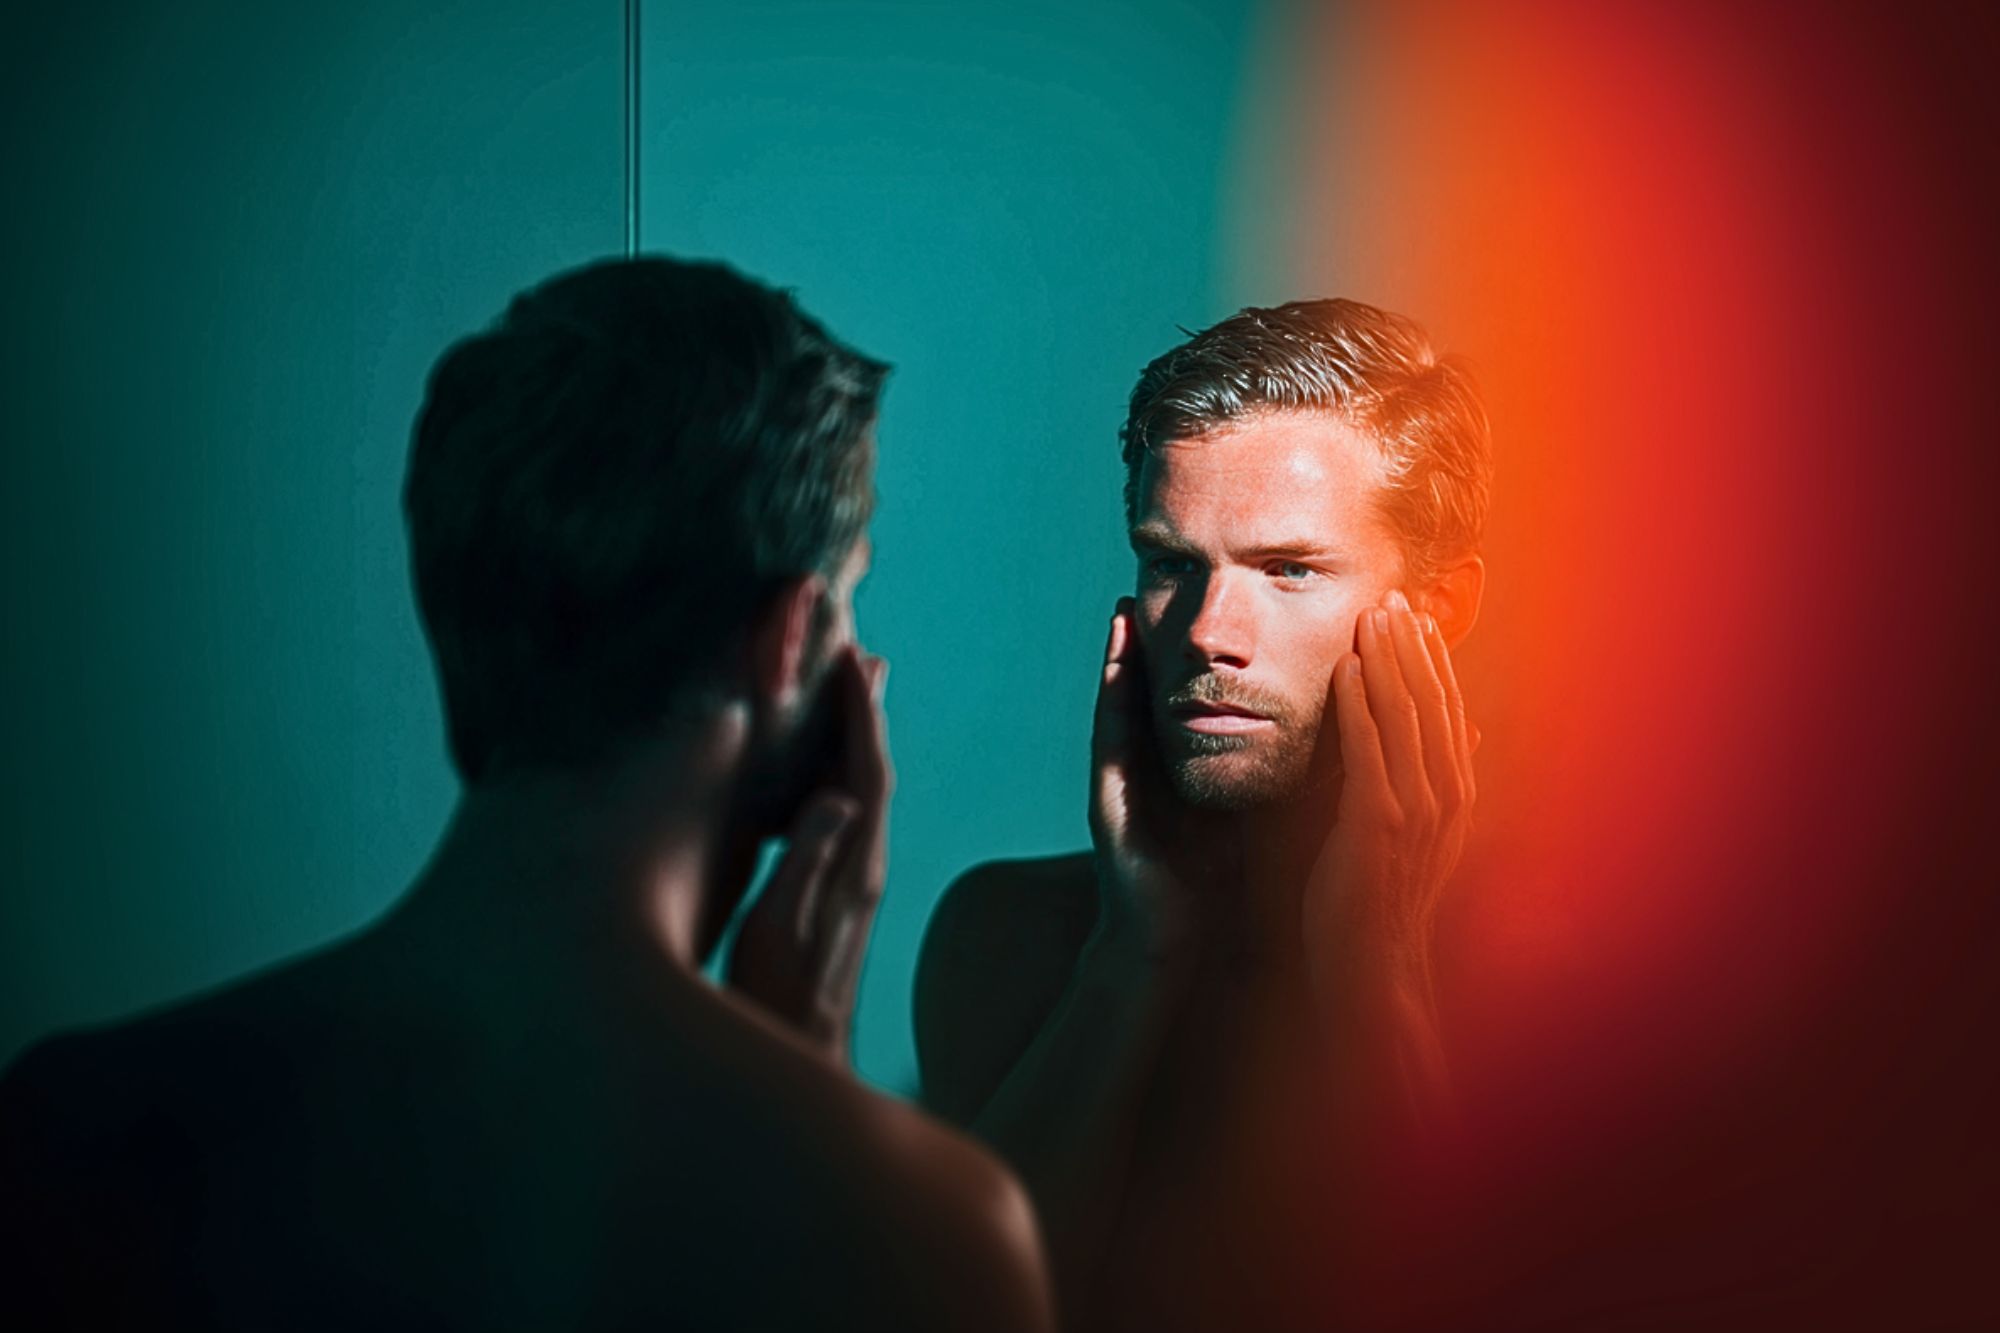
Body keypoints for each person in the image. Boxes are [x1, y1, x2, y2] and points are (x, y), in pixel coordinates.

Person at [0, 257, 1051, 1332]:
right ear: (787, 645)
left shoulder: (70, 1128)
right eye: (849, 596)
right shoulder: (923, 1229)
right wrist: (813, 1121)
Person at [913, 298, 1492, 1329]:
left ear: (1437, 611)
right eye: (1173, 564)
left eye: (1289, 570)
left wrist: (1384, 976)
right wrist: (1127, 957)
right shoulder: (1007, 936)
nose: (1208, 632)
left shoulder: (1568, 968)